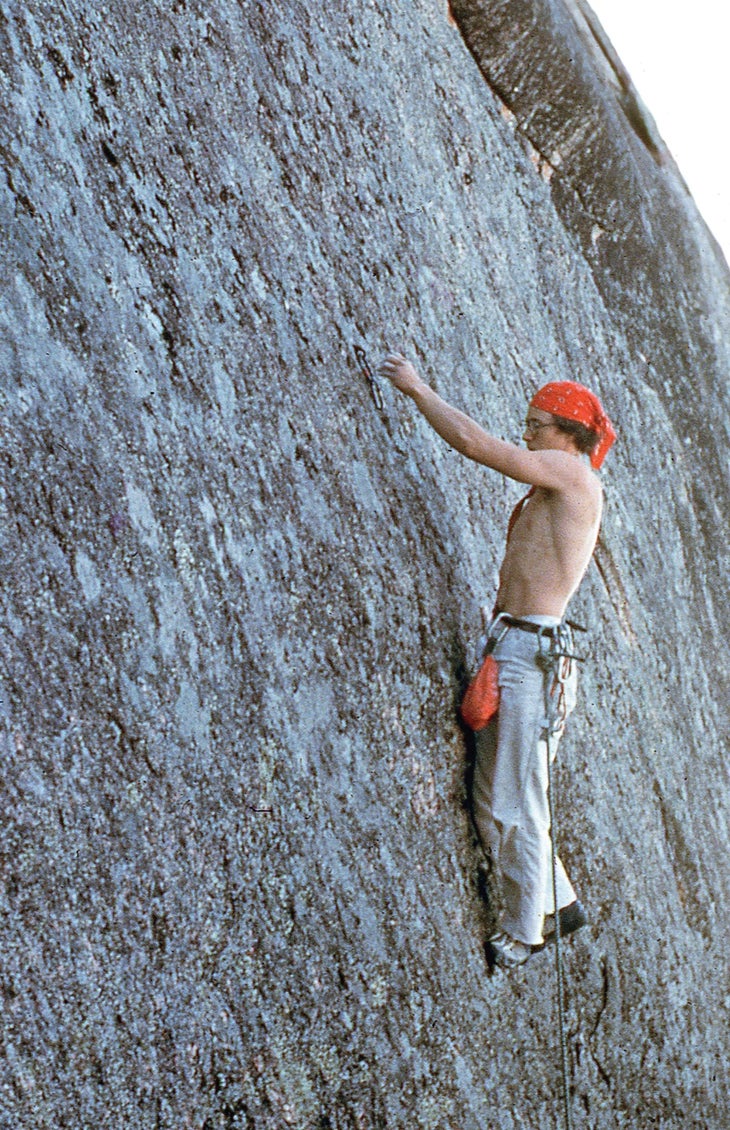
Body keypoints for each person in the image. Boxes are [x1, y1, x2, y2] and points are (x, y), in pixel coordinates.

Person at [378, 353, 616, 968]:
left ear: (568, 432)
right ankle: (557, 901)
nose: (527, 432)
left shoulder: (572, 475)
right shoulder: (557, 481)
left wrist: (419, 389)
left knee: (516, 803)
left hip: (533, 658)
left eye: (537, 422)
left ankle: (525, 929)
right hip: (515, 646)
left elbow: (480, 447)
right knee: (495, 799)